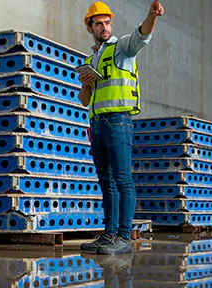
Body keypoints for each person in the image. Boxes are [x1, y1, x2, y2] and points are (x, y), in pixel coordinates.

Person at [79, 0, 164, 255]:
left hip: (118, 122)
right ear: (90, 28)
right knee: (106, 182)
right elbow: (85, 100)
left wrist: (152, 16)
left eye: (106, 23)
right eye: (98, 24)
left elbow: (142, 35)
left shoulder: (121, 48)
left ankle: (124, 237)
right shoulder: (90, 59)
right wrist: (85, 84)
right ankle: (109, 235)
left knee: (123, 179)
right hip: (97, 124)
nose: (103, 27)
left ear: (110, 24)